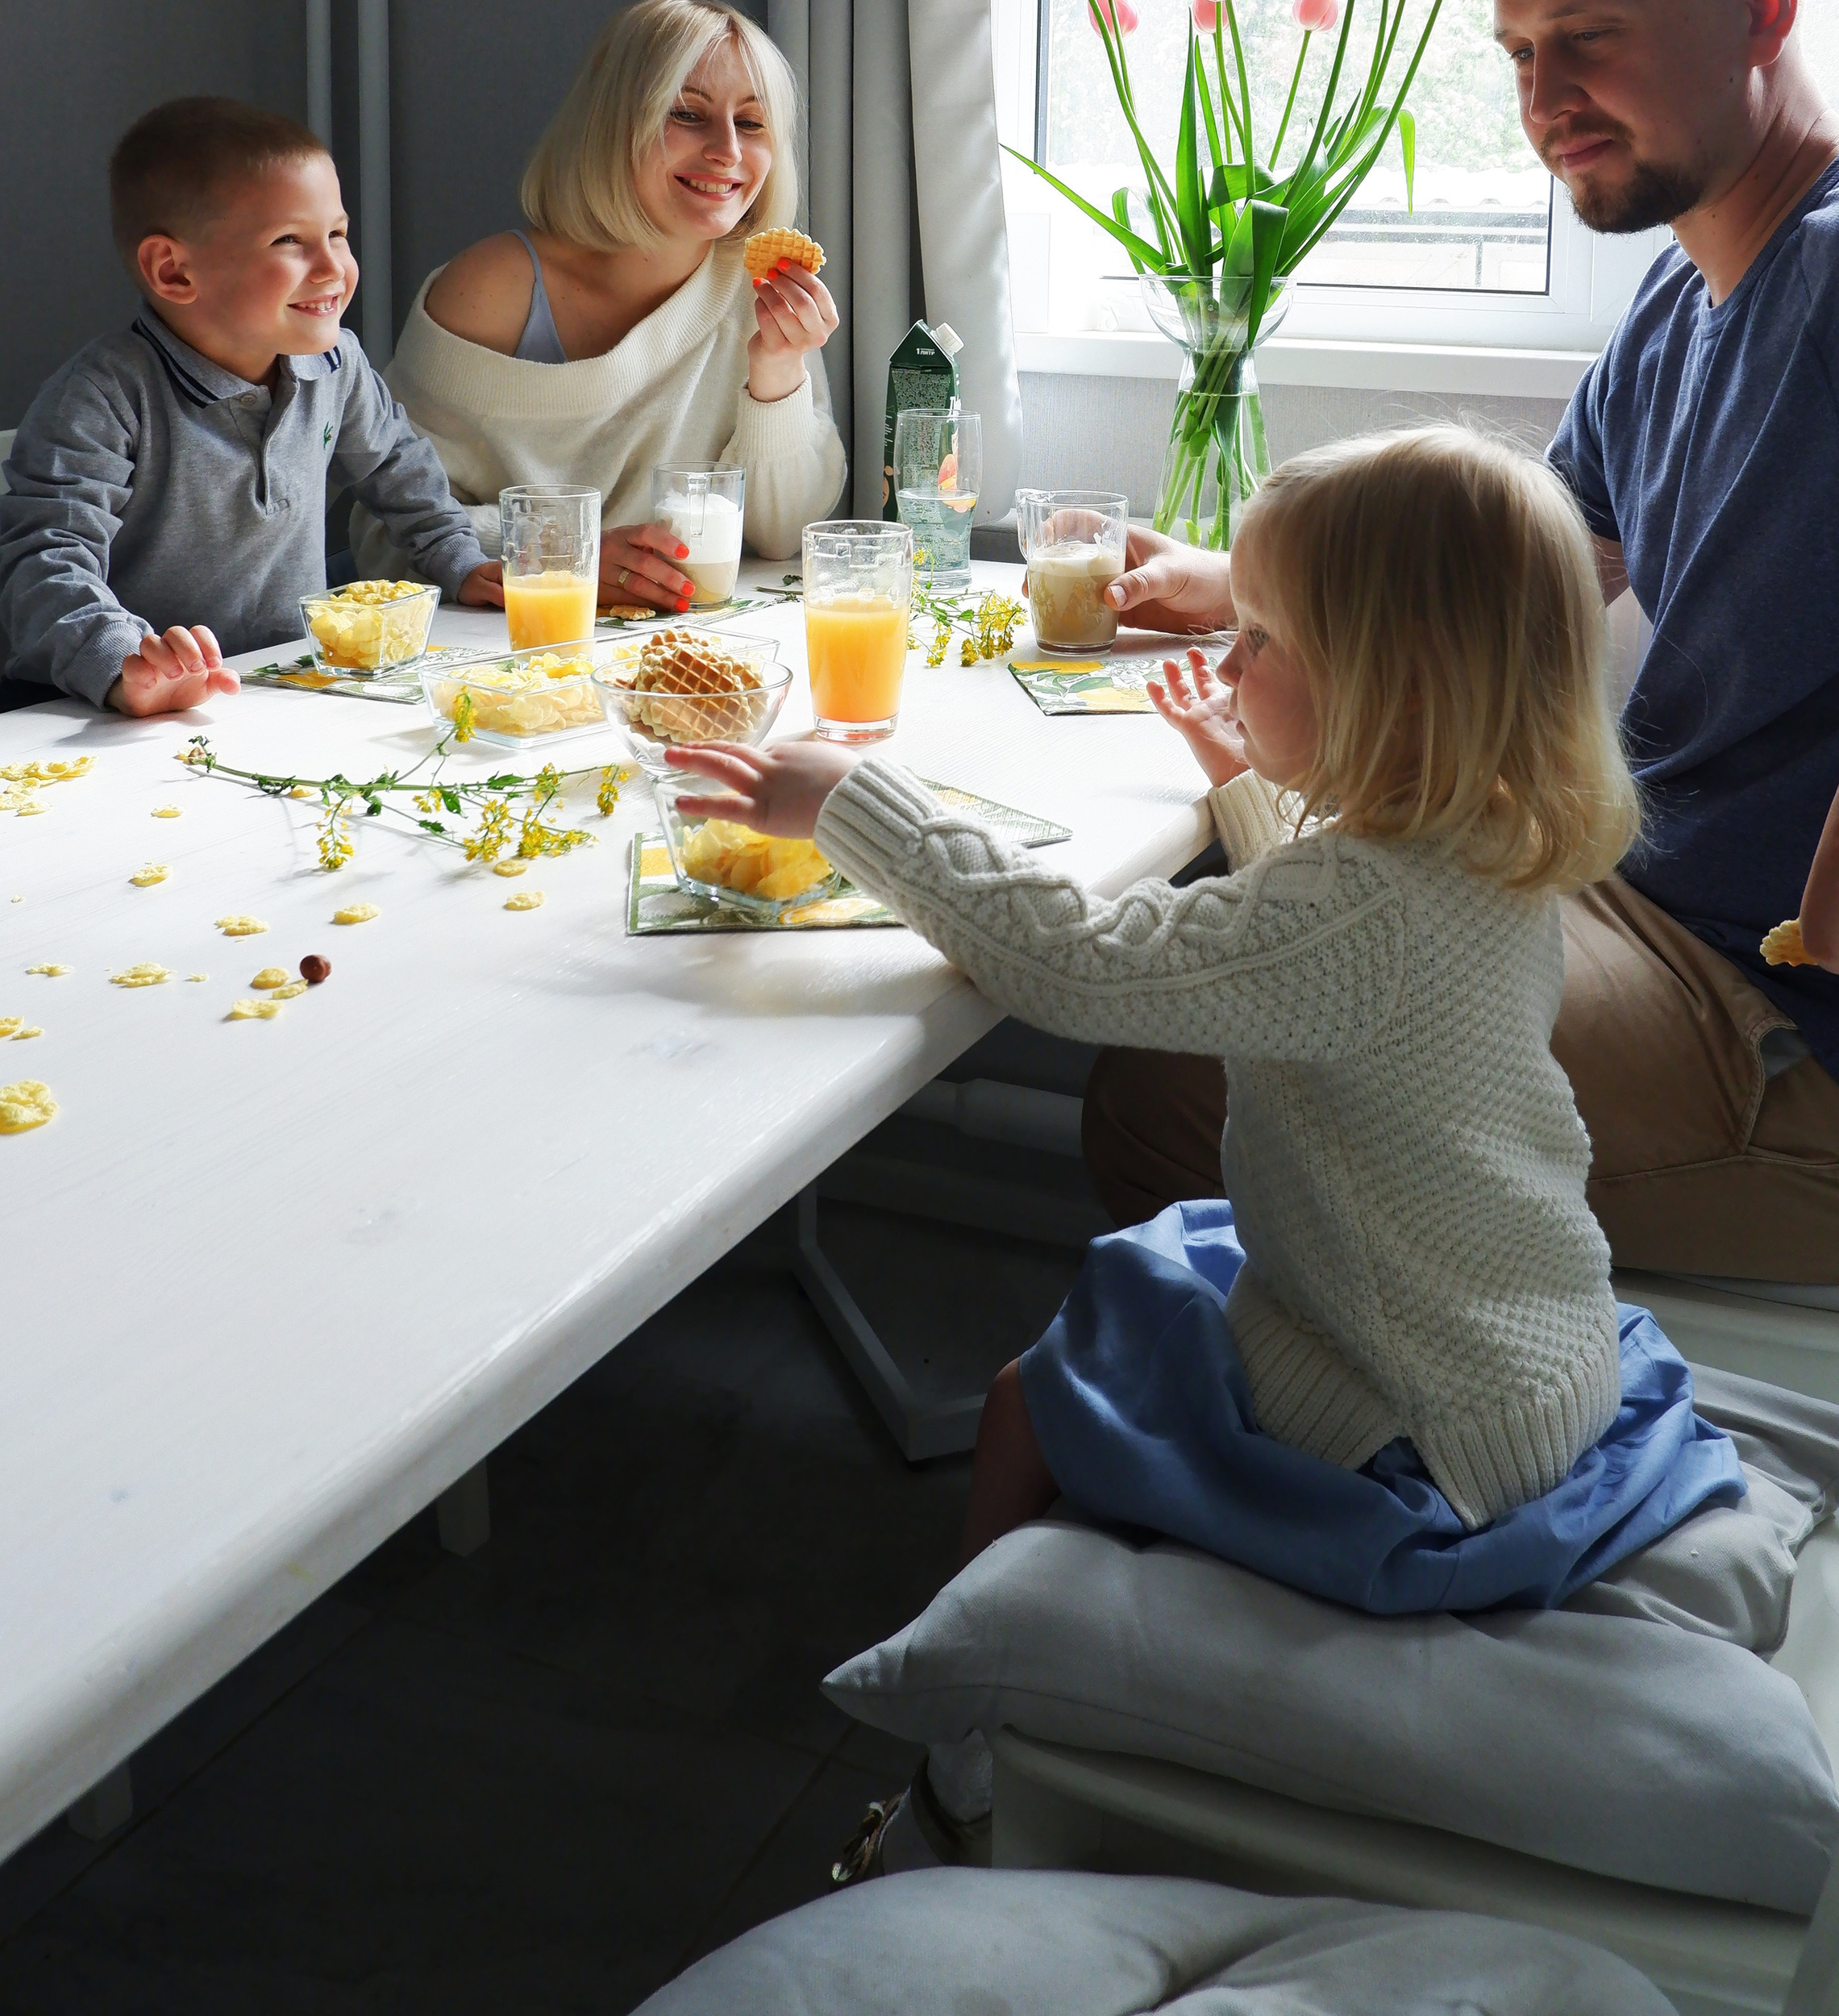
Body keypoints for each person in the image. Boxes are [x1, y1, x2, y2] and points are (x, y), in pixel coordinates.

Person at [672, 431, 1745, 1874]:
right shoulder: (1492, 843)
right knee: (1160, 1261)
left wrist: (854, 804)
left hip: (1414, 1421)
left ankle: (974, 1751)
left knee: (1023, 1400)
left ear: (1389, 691)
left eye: (1262, 642)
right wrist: (1255, 789)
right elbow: (1331, 939)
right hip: (1527, 1353)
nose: (1229, 663)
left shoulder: (1351, 916)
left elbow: (1076, 964)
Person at [1080, 0, 1839, 1284]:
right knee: (1244, 906)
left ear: (1761, 6)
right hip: (1651, 919)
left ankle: (1360, 1482)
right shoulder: (1684, 294)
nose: (1544, 100)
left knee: (1179, 1076)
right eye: (1518, 51)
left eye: (1587, 38)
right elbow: (1517, 560)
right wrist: (1249, 580)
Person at [0, 98, 497, 714]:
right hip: (108, 712)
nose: (333, 269)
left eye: (338, 234)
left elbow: (398, 467)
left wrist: (461, 561)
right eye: (290, 240)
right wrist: (125, 663)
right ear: (174, 271)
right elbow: (44, 562)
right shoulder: (102, 397)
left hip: (282, 685)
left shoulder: (336, 364)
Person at [358, 0, 846, 606]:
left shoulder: (762, 292)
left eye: (751, 124)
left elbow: (780, 536)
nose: (728, 150)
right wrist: (566, 549)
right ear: (614, 125)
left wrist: (777, 374)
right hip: (509, 659)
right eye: (688, 114)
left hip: (694, 644)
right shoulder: (489, 290)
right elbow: (382, 533)